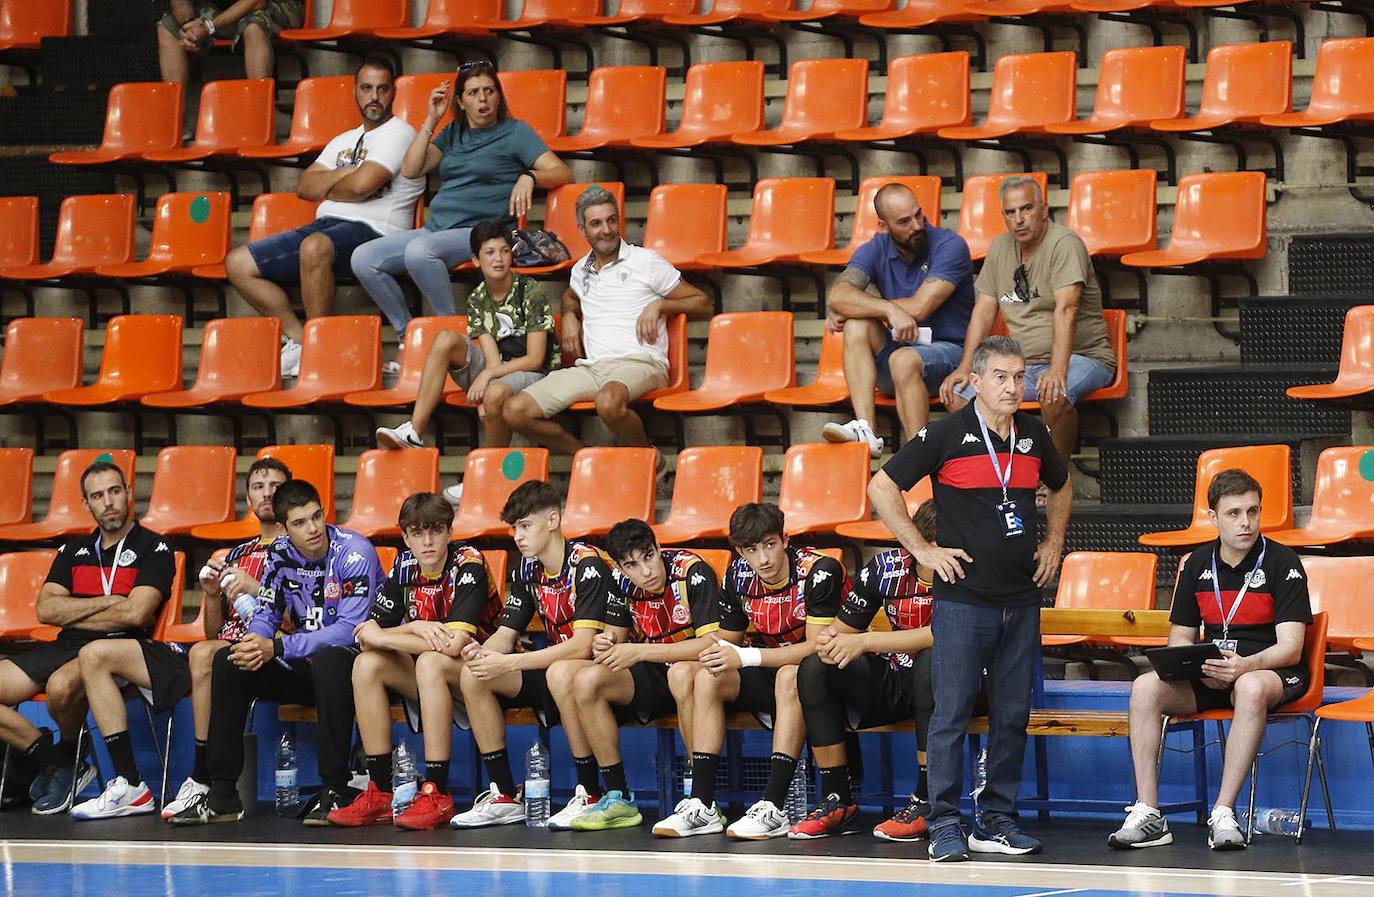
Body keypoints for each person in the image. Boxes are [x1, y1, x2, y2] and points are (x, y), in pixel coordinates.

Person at [868, 335, 1070, 862]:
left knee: (1011, 715)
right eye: (1000, 377)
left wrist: (1053, 540)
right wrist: (923, 548)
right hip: (962, 602)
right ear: (975, 382)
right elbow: (881, 487)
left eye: (1019, 376)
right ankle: (944, 823)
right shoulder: (947, 433)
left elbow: (1063, 486)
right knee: (950, 715)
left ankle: (998, 820)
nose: (1012, 386)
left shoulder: (1033, 434)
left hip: (1021, 600)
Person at [1110, 469, 1312, 852]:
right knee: (1145, 688)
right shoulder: (1196, 564)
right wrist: (1195, 667)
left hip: (1271, 672)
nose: (1246, 522)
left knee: (1250, 688)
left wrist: (1243, 667)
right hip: (1214, 672)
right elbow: (1181, 640)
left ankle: (1223, 812)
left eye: (1253, 511)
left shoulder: (1283, 562)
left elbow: (1292, 648)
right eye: (1234, 513)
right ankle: (1149, 812)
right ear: (1213, 518)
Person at [169, 480, 385, 826]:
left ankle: (335, 788)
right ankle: (223, 793)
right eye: (300, 523)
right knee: (228, 660)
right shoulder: (280, 552)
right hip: (305, 665)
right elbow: (268, 610)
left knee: (330, 659)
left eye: (316, 517)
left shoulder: (355, 551)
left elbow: (351, 630)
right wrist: (255, 643)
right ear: (283, 528)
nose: (313, 528)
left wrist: (279, 646)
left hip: (357, 668)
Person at [652, 503, 848, 841]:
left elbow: (817, 648)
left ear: (785, 539)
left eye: (770, 545)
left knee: (791, 673)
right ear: (739, 551)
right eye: (751, 550)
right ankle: (703, 803)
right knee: (704, 674)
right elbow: (728, 641)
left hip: (825, 676)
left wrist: (746, 656)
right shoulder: (738, 574)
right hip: (766, 669)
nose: (763, 559)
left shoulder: (820, 570)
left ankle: (773, 807)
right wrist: (712, 653)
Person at [0, 461, 180, 816]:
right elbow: (47, 610)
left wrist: (80, 608)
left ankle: (65, 757)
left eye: (114, 491)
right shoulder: (73, 550)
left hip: (122, 647)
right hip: (67, 643)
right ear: (86, 504)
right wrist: (109, 602)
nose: (108, 502)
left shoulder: (154, 547)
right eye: (97, 496)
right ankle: (57, 759)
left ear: (129, 493)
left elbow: (136, 614)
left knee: (60, 687)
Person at [225, 57, 424, 377]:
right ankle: (302, 340)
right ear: (355, 92)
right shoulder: (342, 140)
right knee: (238, 263)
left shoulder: (399, 134)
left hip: (376, 231)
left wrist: (333, 181)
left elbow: (362, 186)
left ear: (393, 93)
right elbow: (304, 186)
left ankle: (321, 348)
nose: (374, 96)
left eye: (382, 89)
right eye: (367, 88)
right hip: (325, 226)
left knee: (314, 247)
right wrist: (347, 174)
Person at [351, 61, 573, 340]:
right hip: (437, 229)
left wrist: (530, 176)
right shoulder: (453, 132)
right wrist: (431, 120)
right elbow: (411, 168)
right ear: (461, 101)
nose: (483, 99)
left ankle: (454, 331)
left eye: (489, 91)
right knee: (363, 258)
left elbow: (562, 172)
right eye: (473, 93)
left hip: (482, 231)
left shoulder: (515, 132)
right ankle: (407, 335)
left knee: (420, 252)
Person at [324, 493, 504, 830]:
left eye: (435, 531)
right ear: (405, 537)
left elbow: (453, 644)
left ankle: (437, 791)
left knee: (431, 661)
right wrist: (411, 626)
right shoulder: (405, 565)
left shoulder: (469, 563)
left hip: (482, 675)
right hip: (430, 682)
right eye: (417, 533)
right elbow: (366, 634)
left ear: (450, 532)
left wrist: (386, 635)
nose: (428, 541)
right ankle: (379, 790)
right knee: (367, 664)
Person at [503, 186, 713, 459]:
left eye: (611, 220)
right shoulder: (580, 270)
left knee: (608, 401)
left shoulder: (645, 261)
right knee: (514, 411)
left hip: (641, 362)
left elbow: (703, 303)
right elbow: (570, 295)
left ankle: (647, 458)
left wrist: (661, 305)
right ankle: (591, 458)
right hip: (591, 369)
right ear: (582, 228)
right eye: (596, 223)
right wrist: (568, 314)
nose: (606, 229)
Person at [450, 481, 615, 828]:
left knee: (562, 672)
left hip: (596, 671)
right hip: (552, 669)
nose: (518, 537)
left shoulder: (587, 564)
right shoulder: (527, 568)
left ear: (552, 520)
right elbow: (507, 634)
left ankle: (591, 791)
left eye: (525, 526)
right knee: (474, 674)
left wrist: (509, 661)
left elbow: (584, 644)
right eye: (514, 528)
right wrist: (481, 653)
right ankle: (505, 795)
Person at [546, 519, 727, 832]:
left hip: (698, 671)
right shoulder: (619, 580)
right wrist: (605, 641)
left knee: (683, 675)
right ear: (620, 566)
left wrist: (641, 652)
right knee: (586, 680)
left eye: (648, 556)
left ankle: (701, 800)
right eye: (632, 565)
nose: (645, 571)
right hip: (654, 675)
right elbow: (615, 637)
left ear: (658, 549)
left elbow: (711, 644)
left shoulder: (692, 572)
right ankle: (618, 797)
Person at [789, 499, 939, 842]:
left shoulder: (967, 569)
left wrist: (868, 642)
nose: (932, 553)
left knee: (933, 661)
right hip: (900, 679)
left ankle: (925, 798)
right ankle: (836, 798)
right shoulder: (886, 567)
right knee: (816, 666)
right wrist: (830, 641)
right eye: (924, 544)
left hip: (962, 684)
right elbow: (844, 629)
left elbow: (945, 634)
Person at [940, 176, 1116, 465]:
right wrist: (964, 367)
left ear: (1044, 210)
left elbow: (1067, 309)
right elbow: (984, 310)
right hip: (1022, 365)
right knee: (958, 395)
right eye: (1011, 212)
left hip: (1082, 357)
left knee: (1053, 394)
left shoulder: (1064, 244)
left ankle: (1055, 478)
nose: (1019, 219)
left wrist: (1058, 370)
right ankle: (1001, 475)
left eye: (1026, 209)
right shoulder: (999, 248)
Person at [161, 456, 291, 821]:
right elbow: (213, 632)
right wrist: (211, 594)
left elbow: (301, 622)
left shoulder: (301, 550)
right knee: (205, 651)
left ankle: (202, 776)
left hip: (275, 649)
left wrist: (257, 589)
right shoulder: (238, 553)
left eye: (276, 487)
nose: (267, 494)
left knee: (205, 656)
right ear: (247, 497)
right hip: (231, 649)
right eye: (258, 487)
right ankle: (204, 779)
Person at [374, 222, 558, 453]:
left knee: (494, 393)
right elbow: (492, 360)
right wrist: (490, 378)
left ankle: (489, 468)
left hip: (534, 375)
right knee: (446, 339)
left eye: (504, 251)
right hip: (501, 371)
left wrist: (490, 381)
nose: (498, 259)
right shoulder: (478, 299)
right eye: (490, 253)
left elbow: (535, 359)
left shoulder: (531, 292)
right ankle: (414, 431)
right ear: (476, 260)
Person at [821, 183, 976, 455]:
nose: (916, 225)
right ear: (884, 226)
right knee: (858, 326)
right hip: (899, 351)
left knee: (902, 358)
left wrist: (860, 305)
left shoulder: (950, 245)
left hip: (951, 355)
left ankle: (919, 453)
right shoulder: (876, 247)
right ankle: (866, 429)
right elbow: (838, 294)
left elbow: (920, 307)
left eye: (918, 215)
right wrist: (887, 310)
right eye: (904, 221)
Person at [157, 1, 304, 85]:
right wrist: (189, 25)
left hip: (274, 5)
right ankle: (175, 119)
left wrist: (208, 27)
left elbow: (257, 2)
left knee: (254, 27)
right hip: (221, 10)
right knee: (167, 27)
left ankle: (260, 113)